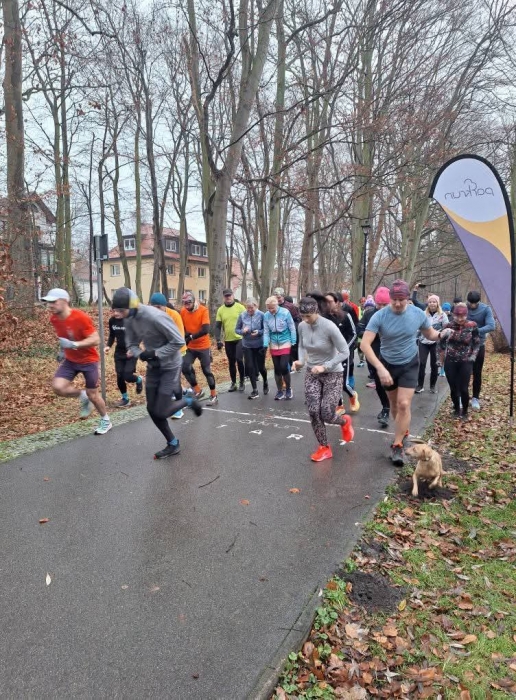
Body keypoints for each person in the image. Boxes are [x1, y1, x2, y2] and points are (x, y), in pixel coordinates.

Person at [112, 287, 203, 458]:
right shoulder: (129, 319)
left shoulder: (155, 317)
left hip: (170, 366)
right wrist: (141, 354)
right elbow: (131, 344)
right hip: (153, 367)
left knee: (162, 410)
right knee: (151, 409)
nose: (118, 314)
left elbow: (178, 342)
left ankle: (189, 400)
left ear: (132, 305)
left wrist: (155, 353)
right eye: (116, 310)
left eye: (121, 310)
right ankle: (173, 444)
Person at [360, 279, 442, 466]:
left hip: (409, 363)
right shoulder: (379, 316)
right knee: (394, 405)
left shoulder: (417, 314)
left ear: (407, 298)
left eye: (401, 300)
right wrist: (380, 368)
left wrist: (441, 335)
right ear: (390, 298)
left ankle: (397, 445)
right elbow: (364, 344)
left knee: (404, 404)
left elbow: (429, 334)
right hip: (387, 364)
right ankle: (403, 429)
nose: (397, 304)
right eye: (394, 300)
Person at [41, 288, 112, 435]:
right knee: (58, 387)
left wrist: (74, 345)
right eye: (48, 302)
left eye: (53, 302)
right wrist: (63, 350)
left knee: (93, 395)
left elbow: (96, 340)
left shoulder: (80, 317)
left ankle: (106, 420)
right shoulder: (54, 319)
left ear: (64, 301)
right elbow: (65, 336)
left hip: (89, 360)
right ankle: (82, 396)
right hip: (71, 360)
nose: (50, 305)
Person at [292, 297, 354, 462]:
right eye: (302, 316)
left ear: (316, 311)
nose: (305, 320)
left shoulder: (329, 327)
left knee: (326, 413)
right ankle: (324, 447)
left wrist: (325, 366)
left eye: (308, 316)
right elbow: (301, 346)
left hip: (333, 373)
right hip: (312, 372)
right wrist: (300, 361)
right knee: (313, 411)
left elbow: (345, 352)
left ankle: (344, 422)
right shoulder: (302, 326)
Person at [357, 287, 391, 428]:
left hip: (392, 355)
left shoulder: (395, 314)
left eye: (385, 304)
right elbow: (359, 330)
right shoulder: (369, 313)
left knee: (393, 384)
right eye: (379, 304)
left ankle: (396, 411)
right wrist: (371, 333)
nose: (381, 307)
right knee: (379, 383)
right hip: (373, 353)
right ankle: (385, 408)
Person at [439, 303, 480, 421]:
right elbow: (440, 343)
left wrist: (473, 356)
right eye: (457, 316)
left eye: (462, 316)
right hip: (450, 361)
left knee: (463, 388)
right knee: (453, 388)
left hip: (466, 360)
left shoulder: (472, 325)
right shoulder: (448, 326)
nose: (460, 319)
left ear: (466, 315)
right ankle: (456, 409)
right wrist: (440, 359)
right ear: (453, 315)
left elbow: (477, 343)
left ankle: (465, 411)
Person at [150, 293, 186, 419]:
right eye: (154, 307)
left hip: (177, 351)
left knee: (174, 380)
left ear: (165, 306)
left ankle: (179, 408)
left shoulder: (174, 315)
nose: (156, 310)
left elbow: (180, 338)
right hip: (161, 352)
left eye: (159, 307)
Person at [180, 292, 218, 406]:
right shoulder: (183, 311)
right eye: (184, 303)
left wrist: (191, 336)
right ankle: (198, 390)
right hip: (191, 347)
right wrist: (186, 334)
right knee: (185, 367)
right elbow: (182, 327)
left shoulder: (203, 310)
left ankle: (214, 395)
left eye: (188, 303)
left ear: (194, 301)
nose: (186, 305)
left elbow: (205, 329)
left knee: (206, 370)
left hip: (203, 346)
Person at [325, 292, 360, 412]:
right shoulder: (323, 318)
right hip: (329, 354)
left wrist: (344, 349)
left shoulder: (345, 316)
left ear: (337, 303)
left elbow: (354, 334)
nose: (327, 304)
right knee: (333, 382)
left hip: (343, 354)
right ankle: (339, 405)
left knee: (343, 383)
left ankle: (352, 395)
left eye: (330, 302)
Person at [105, 309, 143, 407]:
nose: (115, 313)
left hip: (132, 352)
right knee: (120, 375)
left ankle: (139, 380)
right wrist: (108, 346)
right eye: (113, 311)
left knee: (127, 376)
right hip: (119, 352)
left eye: (118, 311)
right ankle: (125, 399)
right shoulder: (112, 320)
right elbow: (112, 335)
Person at [466, 291, 495, 411]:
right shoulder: (463, 308)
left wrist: (476, 330)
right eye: (470, 303)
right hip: (463, 345)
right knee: (463, 372)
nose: (472, 305)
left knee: (477, 372)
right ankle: (463, 397)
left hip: (479, 345)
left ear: (478, 301)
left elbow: (491, 325)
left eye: (475, 303)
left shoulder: (486, 309)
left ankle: (475, 398)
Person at [263, 295, 296, 400]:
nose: (270, 310)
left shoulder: (285, 312)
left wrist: (293, 341)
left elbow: (292, 327)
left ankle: (288, 388)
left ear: (277, 305)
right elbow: (266, 331)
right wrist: (265, 344)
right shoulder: (266, 315)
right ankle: (279, 391)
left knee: (283, 366)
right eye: (269, 308)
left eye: (272, 308)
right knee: (277, 368)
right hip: (274, 343)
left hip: (285, 341)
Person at [235, 298, 268, 399]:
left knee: (261, 367)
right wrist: (242, 331)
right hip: (247, 345)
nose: (249, 310)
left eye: (251, 308)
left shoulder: (262, 315)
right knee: (249, 366)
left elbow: (266, 329)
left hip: (259, 344)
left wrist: (259, 332)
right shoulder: (242, 315)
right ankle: (255, 390)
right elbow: (236, 329)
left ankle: (265, 381)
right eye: (247, 308)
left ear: (256, 306)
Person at [415, 294, 448, 394]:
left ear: (437, 303)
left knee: (434, 364)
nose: (432, 304)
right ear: (427, 303)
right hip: (423, 341)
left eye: (434, 302)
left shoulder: (443, 315)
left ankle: (432, 386)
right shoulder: (423, 314)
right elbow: (418, 326)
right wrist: (416, 337)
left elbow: (446, 328)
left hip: (436, 342)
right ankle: (420, 385)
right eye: (430, 302)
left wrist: (443, 338)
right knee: (421, 363)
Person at [215, 289, 246, 392]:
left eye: (229, 295)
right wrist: (218, 340)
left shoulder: (240, 307)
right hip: (228, 340)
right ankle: (233, 383)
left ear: (233, 296)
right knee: (231, 361)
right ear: (224, 297)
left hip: (240, 338)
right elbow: (218, 326)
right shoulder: (221, 310)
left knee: (239, 359)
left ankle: (242, 381)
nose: (228, 297)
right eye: (226, 296)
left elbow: (247, 321)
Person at [274, 286, 301, 362]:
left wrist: (292, 327)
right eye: (276, 297)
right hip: (278, 335)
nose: (278, 299)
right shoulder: (273, 306)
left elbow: (298, 318)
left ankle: (294, 364)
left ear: (283, 296)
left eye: (279, 297)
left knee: (292, 351)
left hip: (290, 332)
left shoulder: (290, 306)